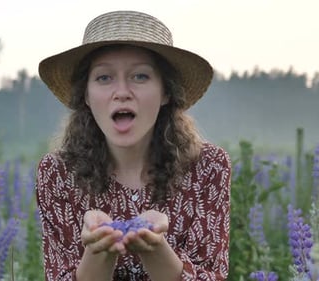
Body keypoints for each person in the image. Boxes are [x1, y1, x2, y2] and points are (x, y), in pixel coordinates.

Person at [36, 10, 231, 281]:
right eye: (104, 77)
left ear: (165, 92)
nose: (122, 92)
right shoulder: (58, 173)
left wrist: (155, 248)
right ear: (86, 96)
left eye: (140, 76)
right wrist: (98, 250)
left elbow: (212, 276)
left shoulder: (207, 167)